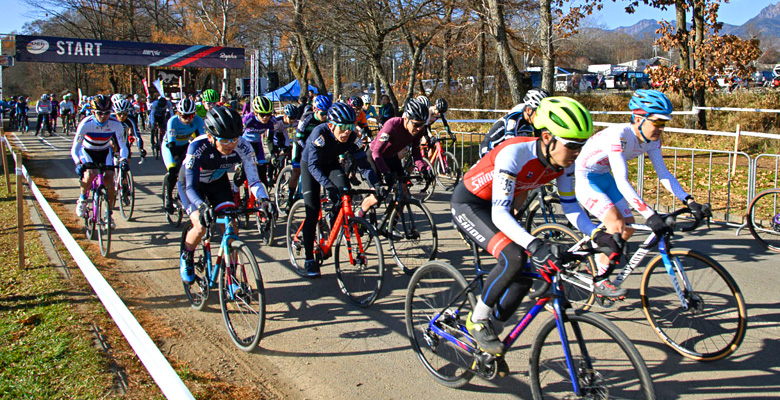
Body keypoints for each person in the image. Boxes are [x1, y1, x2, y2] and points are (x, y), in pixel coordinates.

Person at [451, 97, 621, 355]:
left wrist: (598, 235)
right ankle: (477, 320)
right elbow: (499, 214)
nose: (578, 152)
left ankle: (493, 333)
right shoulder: (515, 153)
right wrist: (535, 243)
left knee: (527, 272)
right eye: (572, 145)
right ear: (546, 138)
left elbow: (571, 207)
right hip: (470, 204)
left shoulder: (563, 163)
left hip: (499, 207)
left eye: (582, 145)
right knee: (515, 257)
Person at [575, 89, 708, 297]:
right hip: (585, 177)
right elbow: (622, 179)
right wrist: (650, 214)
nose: (660, 128)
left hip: (603, 176)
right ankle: (600, 280)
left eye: (664, 124)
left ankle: (597, 263)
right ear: (638, 118)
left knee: (627, 228)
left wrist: (689, 201)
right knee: (616, 223)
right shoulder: (619, 136)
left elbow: (663, 174)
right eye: (657, 122)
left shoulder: (653, 141)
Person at [178, 106, 272, 283]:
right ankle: (187, 255)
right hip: (192, 186)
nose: (231, 145)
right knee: (200, 226)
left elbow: (253, 179)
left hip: (217, 182)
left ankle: (231, 277)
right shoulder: (197, 147)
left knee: (231, 227)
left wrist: (264, 199)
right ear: (211, 137)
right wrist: (202, 206)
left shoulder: (243, 146)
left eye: (235, 139)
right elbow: (190, 187)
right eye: (225, 140)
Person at [299, 102, 383, 277]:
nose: (346, 132)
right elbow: (314, 167)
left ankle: (334, 217)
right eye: (342, 127)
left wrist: (376, 184)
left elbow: (364, 165)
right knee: (313, 211)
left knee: (345, 191)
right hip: (310, 166)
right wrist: (328, 186)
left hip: (331, 164)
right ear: (331, 125)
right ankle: (309, 259)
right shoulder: (319, 134)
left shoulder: (352, 138)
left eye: (350, 126)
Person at [72, 95, 128, 229]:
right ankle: (82, 198)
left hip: (104, 151)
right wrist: (77, 163)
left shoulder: (116, 124)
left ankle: (108, 214)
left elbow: (123, 146)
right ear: (93, 112)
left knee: (110, 180)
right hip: (87, 151)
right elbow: (75, 147)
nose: (103, 116)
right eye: (100, 113)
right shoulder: (86, 124)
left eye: (107, 113)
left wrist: (124, 160)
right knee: (90, 173)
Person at [369, 99, 434, 186]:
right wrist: (385, 172)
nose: (419, 128)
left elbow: (416, 153)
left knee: (403, 187)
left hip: (391, 156)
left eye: (422, 124)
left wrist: (423, 169)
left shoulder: (420, 131)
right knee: (378, 194)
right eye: (416, 124)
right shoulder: (392, 125)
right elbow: (376, 152)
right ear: (406, 119)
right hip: (375, 156)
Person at [287, 95, 331, 210]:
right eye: (323, 114)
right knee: (296, 173)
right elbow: (298, 138)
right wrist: (309, 148)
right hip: (301, 145)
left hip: (316, 147)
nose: (325, 116)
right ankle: (289, 197)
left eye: (327, 113)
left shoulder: (327, 120)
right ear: (315, 110)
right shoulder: (306, 118)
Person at [479, 88, 550, 158]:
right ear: (528, 110)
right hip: (490, 149)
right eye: (538, 113)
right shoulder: (514, 117)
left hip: (503, 150)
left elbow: (539, 142)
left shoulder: (533, 119)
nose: (541, 117)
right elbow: (511, 143)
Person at [162, 98, 205, 213]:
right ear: (178, 113)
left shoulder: (198, 120)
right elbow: (171, 144)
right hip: (170, 147)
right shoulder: (172, 121)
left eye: (190, 116)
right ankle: (168, 197)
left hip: (185, 145)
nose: (187, 119)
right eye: (184, 116)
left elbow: (203, 138)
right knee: (174, 170)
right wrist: (177, 159)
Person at [240, 96, 278, 187]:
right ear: (255, 113)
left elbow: (270, 139)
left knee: (262, 168)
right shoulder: (248, 120)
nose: (265, 117)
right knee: (242, 172)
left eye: (268, 114)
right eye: (262, 114)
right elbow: (237, 137)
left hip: (257, 143)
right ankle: (237, 191)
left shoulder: (272, 121)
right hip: (244, 142)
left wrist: (273, 153)